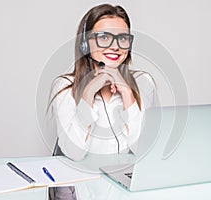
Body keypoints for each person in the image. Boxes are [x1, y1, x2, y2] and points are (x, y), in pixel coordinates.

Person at [48, 4, 156, 161]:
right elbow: (73, 154)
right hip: (83, 181)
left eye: (123, 38)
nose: (115, 46)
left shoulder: (143, 83)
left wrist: (128, 95)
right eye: (104, 37)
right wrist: (87, 95)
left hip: (125, 179)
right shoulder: (65, 86)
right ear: (85, 44)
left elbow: (143, 150)